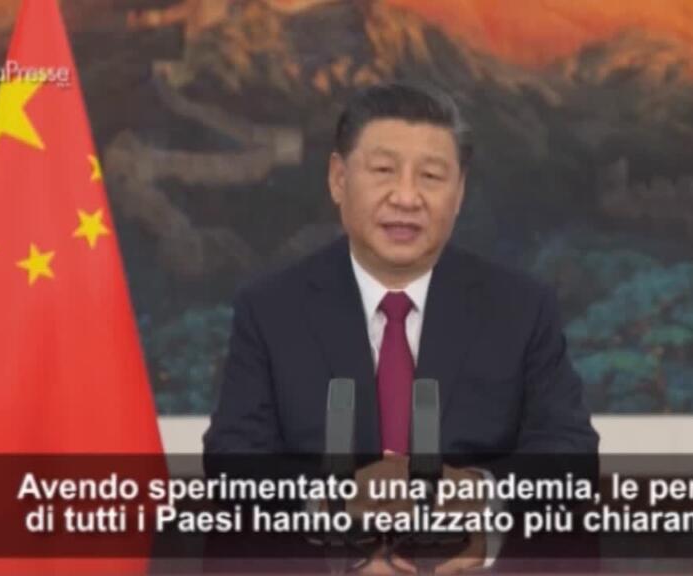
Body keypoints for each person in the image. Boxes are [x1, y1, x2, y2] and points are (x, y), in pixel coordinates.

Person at [204, 82, 599, 573]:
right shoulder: (271, 309)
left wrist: (481, 498)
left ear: (459, 192)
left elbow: (570, 452)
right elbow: (234, 460)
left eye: (431, 176)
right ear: (338, 179)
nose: (407, 197)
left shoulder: (521, 308)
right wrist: (328, 510)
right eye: (384, 171)